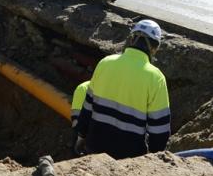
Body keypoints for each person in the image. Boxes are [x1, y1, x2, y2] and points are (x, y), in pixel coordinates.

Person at [73, 19, 172, 159]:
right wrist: (154, 158)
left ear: (131, 40)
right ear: (154, 48)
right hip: (128, 158)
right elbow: (159, 130)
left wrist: (81, 137)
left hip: (94, 148)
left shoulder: (105, 63)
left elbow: (88, 107)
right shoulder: (156, 78)